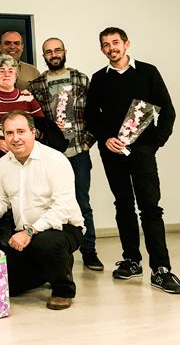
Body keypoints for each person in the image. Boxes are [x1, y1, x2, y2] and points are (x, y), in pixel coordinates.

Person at [85, 27, 178, 293]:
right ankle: (131, 261)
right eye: (105, 44)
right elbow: (92, 117)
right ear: (102, 49)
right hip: (112, 152)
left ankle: (161, 270)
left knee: (150, 208)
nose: (111, 48)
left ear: (126, 44)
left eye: (115, 42)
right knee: (123, 205)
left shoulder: (148, 71)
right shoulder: (99, 79)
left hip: (142, 153)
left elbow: (168, 111)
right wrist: (105, 139)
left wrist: (152, 145)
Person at [0, 110, 85, 310]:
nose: (15, 138)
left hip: (63, 229)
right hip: (25, 235)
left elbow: (62, 207)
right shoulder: (2, 165)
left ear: (33, 132)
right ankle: (50, 268)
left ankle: (63, 289)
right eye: (9, 133)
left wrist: (29, 232)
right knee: (9, 286)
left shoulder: (56, 160)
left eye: (21, 131)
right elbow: (1, 201)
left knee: (46, 243)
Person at [28, 37, 104, 271]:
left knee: (82, 202)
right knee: (49, 202)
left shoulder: (81, 79)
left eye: (57, 50)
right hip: (51, 154)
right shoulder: (37, 84)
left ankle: (89, 251)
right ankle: (58, 252)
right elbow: (35, 122)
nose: (53, 54)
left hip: (78, 152)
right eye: (48, 52)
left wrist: (87, 143)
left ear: (64, 51)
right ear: (44, 56)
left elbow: (95, 113)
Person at [0, 54, 45, 159]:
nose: (7, 74)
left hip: (27, 158)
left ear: (16, 76)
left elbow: (42, 127)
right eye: (1, 71)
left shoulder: (27, 98)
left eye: (11, 71)